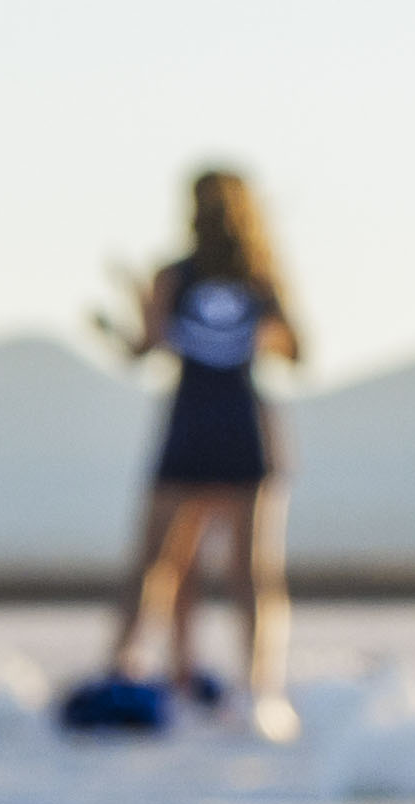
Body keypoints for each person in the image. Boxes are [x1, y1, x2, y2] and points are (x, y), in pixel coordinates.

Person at [101, 168, 307, 720]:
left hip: (203, 424)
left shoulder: (188, 277)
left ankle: (143, 669)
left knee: (164, 562)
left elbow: (144, 347)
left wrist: (124, 320)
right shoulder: (259, 279)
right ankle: (242, 683)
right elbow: (296, 350)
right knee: (231, 569)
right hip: (234, 424)